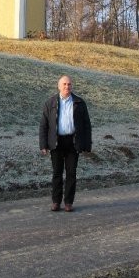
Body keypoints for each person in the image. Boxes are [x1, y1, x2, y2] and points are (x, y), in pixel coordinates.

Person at [39, 75, 92, 212]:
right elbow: (44, 126)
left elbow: (86, 125)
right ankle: (56, 202)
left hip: (73, 142)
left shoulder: (79, 102)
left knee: (71, 173)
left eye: (69, 84)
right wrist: (43, 145)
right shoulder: (50, 103)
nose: (67, 87)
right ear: (59, 86)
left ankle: (68, 202)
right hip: (56, 142)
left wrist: (87, 145)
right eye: (64, 84)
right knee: (57, 173)